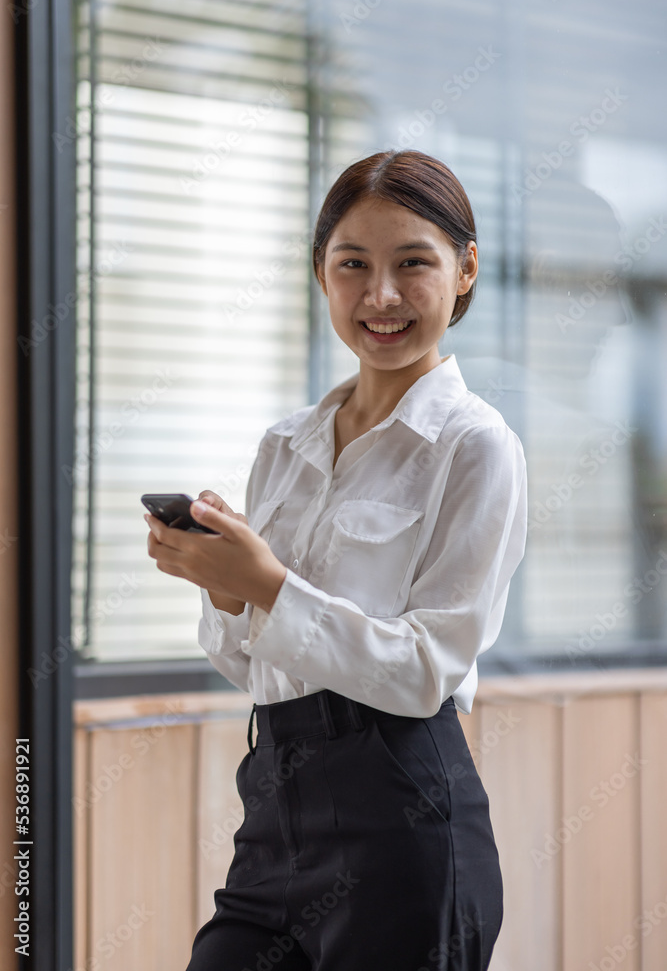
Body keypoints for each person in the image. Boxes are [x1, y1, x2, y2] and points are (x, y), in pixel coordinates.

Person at [145, 149, 528, 971]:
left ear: (463, 270)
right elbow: (251, 666)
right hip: (274, 809)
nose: (379, 296)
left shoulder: (475, 446)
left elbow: (429, 668)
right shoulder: (284, 446)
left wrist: (268, 586)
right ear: (321, 273)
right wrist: (223, 589)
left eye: (411, 264)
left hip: (401, 817)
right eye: (352, 264)